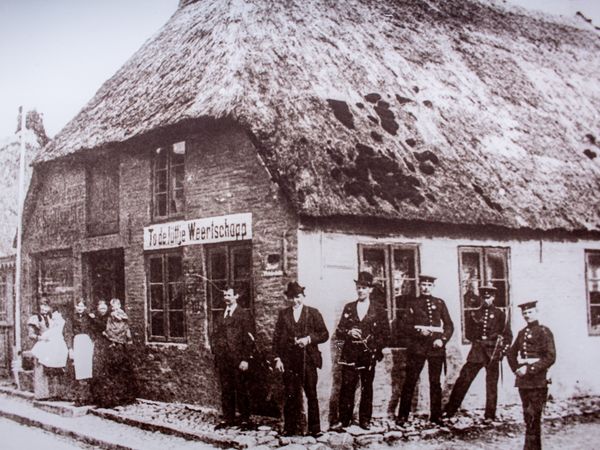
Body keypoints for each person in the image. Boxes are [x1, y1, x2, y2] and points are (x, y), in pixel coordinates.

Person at [443, 285, 512, 421]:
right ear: (481, 298)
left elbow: (508, 335)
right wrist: (478, 337)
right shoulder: (474, 314)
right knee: (464, 379)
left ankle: (490, 415)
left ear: (494, 297)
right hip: (477, 351)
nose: (487, 300)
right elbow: (468, 334)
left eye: (489, 297)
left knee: (491, 384)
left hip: (492, 353)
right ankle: (450, 410)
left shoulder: (500, 314)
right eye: (484, 297)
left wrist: (502, 350)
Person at [332, 271, 390, 430]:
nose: (360, 291)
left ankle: (365, 420)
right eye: (358, 287)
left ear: (370, 289)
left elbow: (386, 334)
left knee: (366, 387)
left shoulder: (379, 309)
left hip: (368, 354)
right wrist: (348, 332)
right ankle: (344, 420)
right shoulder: (349, 308)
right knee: (347, 386)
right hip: (350, 353)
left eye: (364, 288)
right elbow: (339, 331)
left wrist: (375, 349)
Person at [272, 281, 329, 437]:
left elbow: (324, 334)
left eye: (297, 297)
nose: (295, 301)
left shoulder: (313, 313)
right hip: (289, 361)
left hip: (308, 360)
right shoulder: (283, 314)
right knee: (290, 394)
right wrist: (277, 358)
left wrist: (309, 339)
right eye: (292, 297)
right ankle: (290, 428)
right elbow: (276, 339)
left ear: (303, 296)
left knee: (311, 393)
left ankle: (315, 429)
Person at [397, 274, 454, 425]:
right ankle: (402, 416)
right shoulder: (412, 303)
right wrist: (418, 332)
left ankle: (436, 415)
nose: (426, 287)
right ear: (419, 286)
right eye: (423, 285)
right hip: (417, 347)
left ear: (433, 287)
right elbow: (402, 326)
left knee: (435, 382)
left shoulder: (440, 303)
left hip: (436, 348)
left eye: (429, 285)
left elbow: (449, 325)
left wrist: (442, 340)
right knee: (410, 381)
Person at [507, 301, 556, 450]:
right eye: (524, 313)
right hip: (524, 382)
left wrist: (529, 369)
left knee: (534, 417)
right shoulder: (522, 333)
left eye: (530, 312)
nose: (527, 315)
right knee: (528, 417)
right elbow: (511, 353)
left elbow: (550, 357)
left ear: (536, 312)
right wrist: (516, 369)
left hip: (538, 381)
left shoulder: (544, 331)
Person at [212, 287, 255, 430]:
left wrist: (245, 359)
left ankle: (245, 419)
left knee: (241, 388)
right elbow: (215, 335)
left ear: (236, 296)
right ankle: (228, 418)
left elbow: (249, 339)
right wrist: (216, 351)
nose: (226, 298)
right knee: (226, 389)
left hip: (238, 359)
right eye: (224, 295)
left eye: (229, 295)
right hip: (224, 359)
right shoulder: (220, 315)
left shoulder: (244, 315)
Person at [97, 298, 137, 407]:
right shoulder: (110, 317)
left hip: (120, 346)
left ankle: (124, 397)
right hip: (113, 345)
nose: (113, 307)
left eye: (115, 305)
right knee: (112, 371)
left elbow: (123, 328)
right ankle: (114, 398)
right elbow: (109, 328)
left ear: (119, 305)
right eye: (112, 305)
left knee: (121, 370)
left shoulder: (122, 317)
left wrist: (112, 335)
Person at [70, 300, 95, 405]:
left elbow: (93, 329)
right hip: (77, 341)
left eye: (82, 306)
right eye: (78, 305)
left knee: (87, 368)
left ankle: (88, 397)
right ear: (76, 307)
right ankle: (79, 397)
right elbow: (69, 332)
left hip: (87, 342)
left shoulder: (89, 317)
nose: (80, 307)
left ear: (85, 307)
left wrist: (93, 341)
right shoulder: (72, 318)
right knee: (78, 368)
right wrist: (70, 348)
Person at [90, 299, 110, 406]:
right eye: (100, 308)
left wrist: (94, 320)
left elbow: (104, 327)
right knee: (97, 368)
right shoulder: (96, 318)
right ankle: (97, 397)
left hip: (106, 344)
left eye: (104, 308)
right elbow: (92, 330)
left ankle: (106, 398)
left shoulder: (108, 318)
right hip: (98, 343)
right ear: (98, 309)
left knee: (105, 369)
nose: (102, 310)